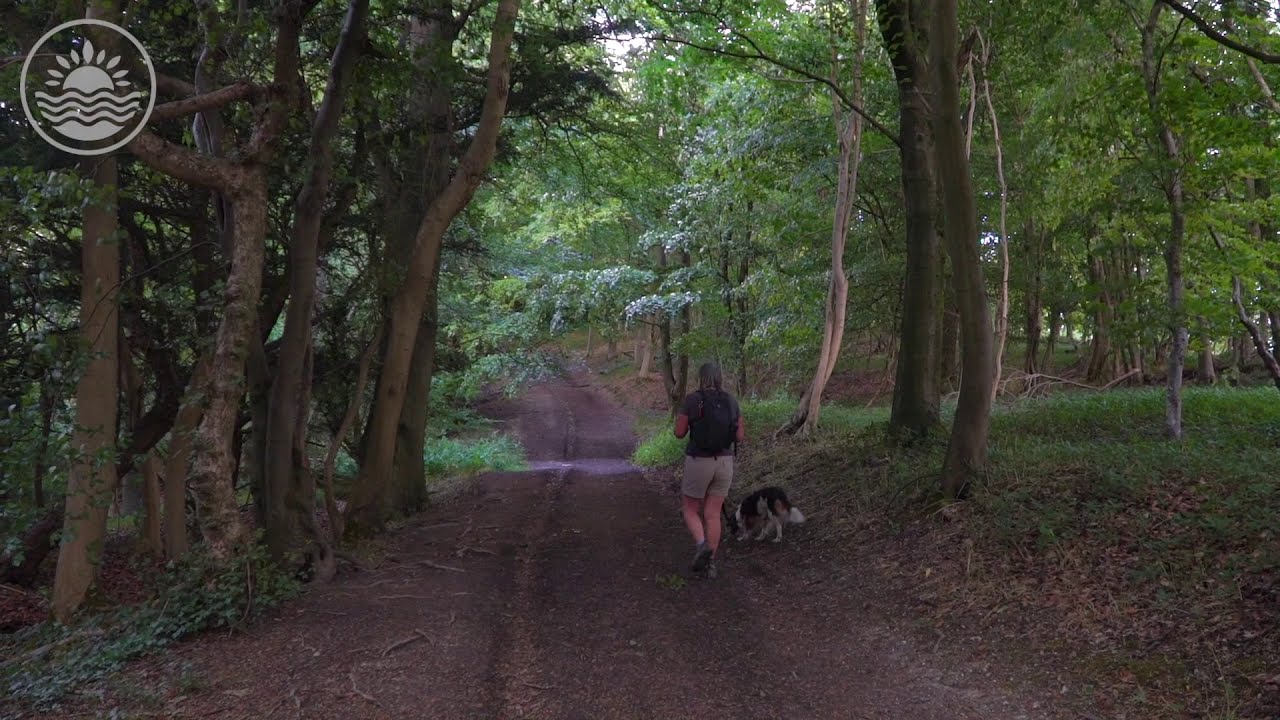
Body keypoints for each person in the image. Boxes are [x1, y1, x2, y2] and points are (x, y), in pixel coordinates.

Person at [673, 362, 745, 578]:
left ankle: (702, 545)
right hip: (724, 462)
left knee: (689, 508)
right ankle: (711, 563)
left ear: (700, 377)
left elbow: (679, 432)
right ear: (720, 378)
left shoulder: (693, 400)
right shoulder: (732, 401)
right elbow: (740, 436)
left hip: (699, 461)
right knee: (713, 514)